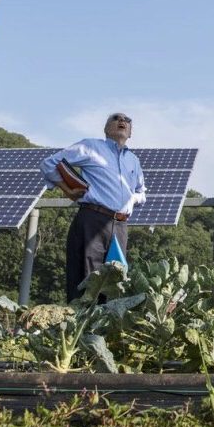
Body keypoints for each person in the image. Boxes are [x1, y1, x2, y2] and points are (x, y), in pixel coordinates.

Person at [40, 112, 146, 302]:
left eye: (127, 120)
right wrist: (66, 190)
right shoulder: (91, 147)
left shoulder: (134, 161)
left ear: (130, 133)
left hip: (121, 226)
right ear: (106, 129)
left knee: (116, 283)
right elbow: (49, 164)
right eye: (116, 118)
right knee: (87, 282)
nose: (122, 121)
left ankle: (105, 330)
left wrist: (132, 199)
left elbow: (141, 193)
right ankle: (83, 327)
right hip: (93, 220)